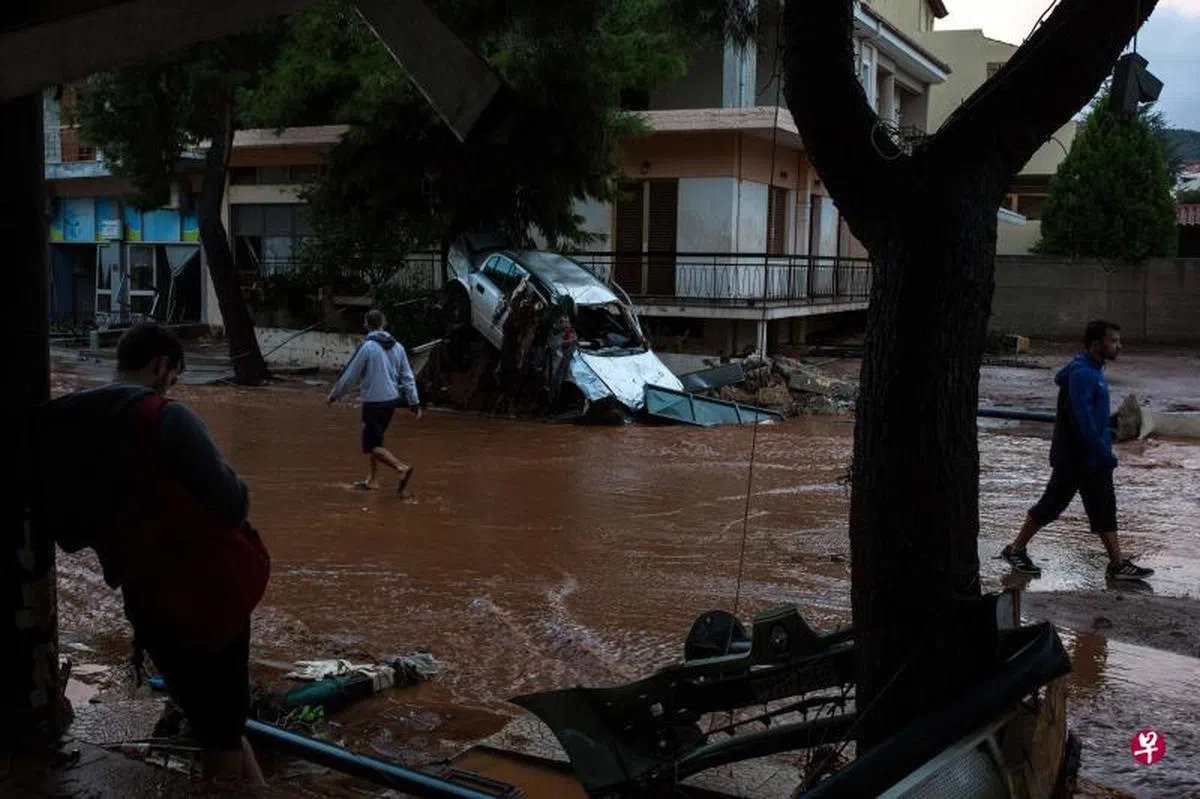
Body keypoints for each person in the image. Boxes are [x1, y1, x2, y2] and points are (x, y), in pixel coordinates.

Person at [37, 323, 266, 787]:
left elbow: (67, 530)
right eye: (174, 376)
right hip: (207, 598)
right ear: (161, 366)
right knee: (221, 734)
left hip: (146, 602)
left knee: (213, 721)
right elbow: (231, 502)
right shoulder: (166, 419)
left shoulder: (65, 423)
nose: (171, 386)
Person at [1000, 320, 1154, 581]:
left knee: (1102, 508)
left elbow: (1092, 418)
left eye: (1118, 340)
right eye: (1113, 341)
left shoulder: (1091, 371)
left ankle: (1117, 564)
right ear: (1096, 344)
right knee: (1052, 505)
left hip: (1087, 457)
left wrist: (1108, 437)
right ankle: (1015, 549)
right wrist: (1104, 453)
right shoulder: (1083, 375)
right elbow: (1083, 421)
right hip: (1079, 458)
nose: (1119, 345)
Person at [328, 309, 422, 491]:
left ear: (366, 325)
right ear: (383, 324)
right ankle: (372, 480)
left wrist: (334, 395)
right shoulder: (398, 346)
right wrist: (414, 402)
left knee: (371, 445)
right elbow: (408, 376)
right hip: (391, 401)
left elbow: (350, 376)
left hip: (373, 402)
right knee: (376, 441)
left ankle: (401, 468)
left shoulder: (368, 347)